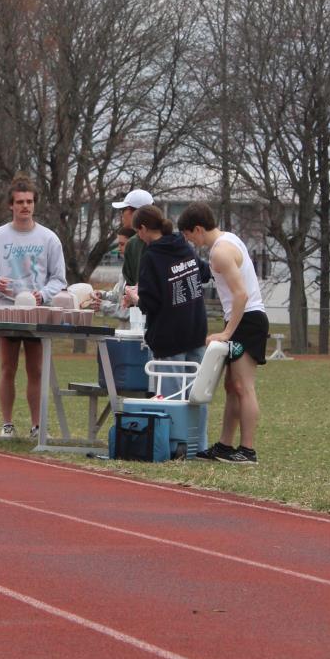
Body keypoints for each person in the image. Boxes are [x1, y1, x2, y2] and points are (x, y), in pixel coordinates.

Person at [177, 201, 270, 464]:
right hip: (242, 319)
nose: (189, 241)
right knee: (232, 386)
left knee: (244, 387)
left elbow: (241, 294)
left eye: (188, 235)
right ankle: (225, 446)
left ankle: (247, 450)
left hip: (248, 320)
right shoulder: (227, 240)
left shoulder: (220, 252)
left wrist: (228, 332)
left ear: (198, 228)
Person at [0, 173, 67, 438]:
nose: (25, 206)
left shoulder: (49, 238)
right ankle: (7, 424)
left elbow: (59, 279)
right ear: (11, 205)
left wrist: (43, 295)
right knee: (8, 368)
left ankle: (37, 426)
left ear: (34, 203)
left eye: (29, 201)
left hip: (37, 312)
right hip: (8, 310)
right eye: (20, 202)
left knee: (36, 370)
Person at [133, 205, 207, 364]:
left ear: (143, 229)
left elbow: (150, 303)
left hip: (169, 339)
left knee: (170, 382)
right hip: (196, 331)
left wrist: (135, 298)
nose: (139, 236)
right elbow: (205, 272)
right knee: (197, 381)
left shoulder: (151, 257)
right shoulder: (184, 246)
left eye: (138, 231)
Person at [112, 187, 153, 307]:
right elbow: (129, 283)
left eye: (124, 210)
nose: (121, 214)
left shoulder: (164, 241)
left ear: (134, 213)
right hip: (139, 311)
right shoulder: (132, 244)